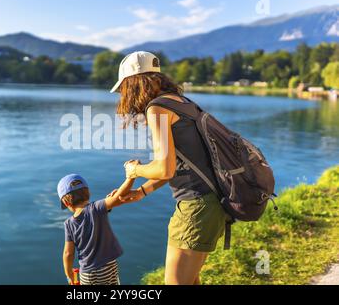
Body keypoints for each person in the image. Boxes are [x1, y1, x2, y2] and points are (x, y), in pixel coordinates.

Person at [110, 51, 228, 285]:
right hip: (213, 202)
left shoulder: (157, 109)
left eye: (123, 88)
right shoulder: (182, 102)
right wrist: (143, 191)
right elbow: (176, 164)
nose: (122, 95)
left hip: (197, 207)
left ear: (133, 83)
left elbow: (165, 168)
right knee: (190, 281)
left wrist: (135, 170)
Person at [58, 173, 135, 285]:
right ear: (88, 193)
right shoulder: (97, 208)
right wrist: (131, 176)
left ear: (66, 203)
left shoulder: (68, 224)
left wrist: (69, 274)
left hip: (87, 274)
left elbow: (68, 253)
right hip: (108, 267)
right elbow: (118, 197)